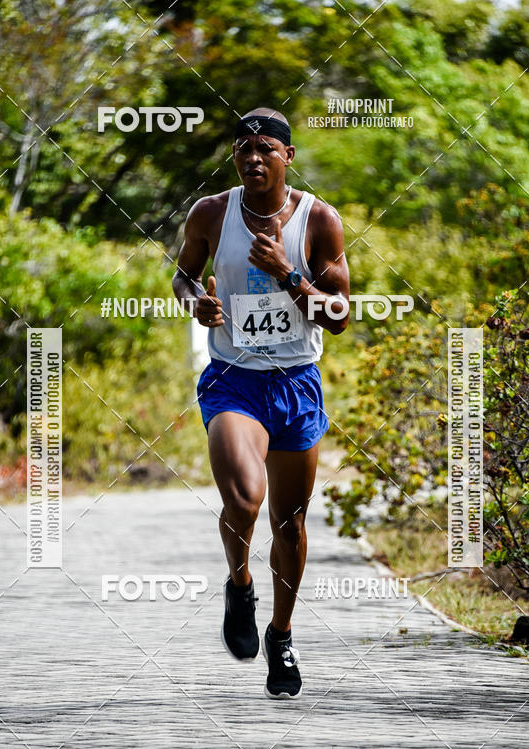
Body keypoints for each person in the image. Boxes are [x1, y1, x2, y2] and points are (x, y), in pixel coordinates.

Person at [172, 107, 349, 699]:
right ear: (234, 158)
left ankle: (281, 634)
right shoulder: (210, 214)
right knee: (244, 501)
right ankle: (240, 585)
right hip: (233, 380)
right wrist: (195, 301)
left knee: (290, 523)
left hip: (295, 383)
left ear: (287, 158)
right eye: (243, 149)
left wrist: (289, 275)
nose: (253, 158)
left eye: (266, 149)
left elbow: (341, 315)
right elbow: (182, 277)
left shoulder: (319, 220)